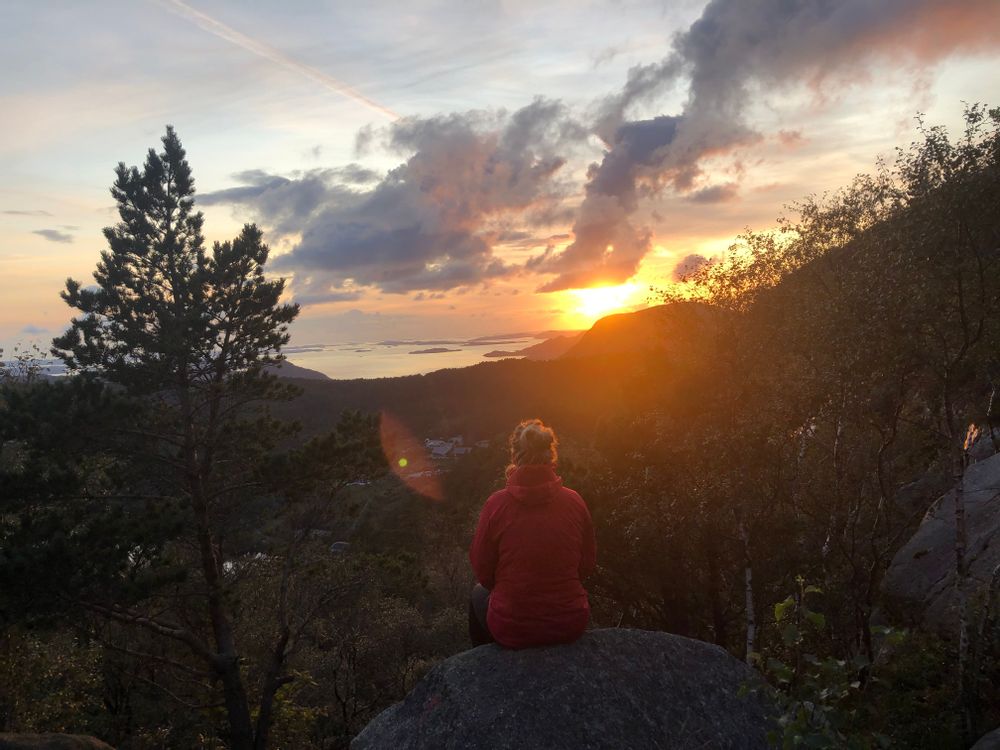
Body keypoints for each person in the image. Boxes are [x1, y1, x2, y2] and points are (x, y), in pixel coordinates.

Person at [468, 419, 597, 649]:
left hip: (512, 629)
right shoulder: (574, 501)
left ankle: (486, 667)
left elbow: (483, 572)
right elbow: (586, 565)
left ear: (515, 456)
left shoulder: (496, 505)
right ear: (551, 453)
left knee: (478, 595)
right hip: (569, 623)